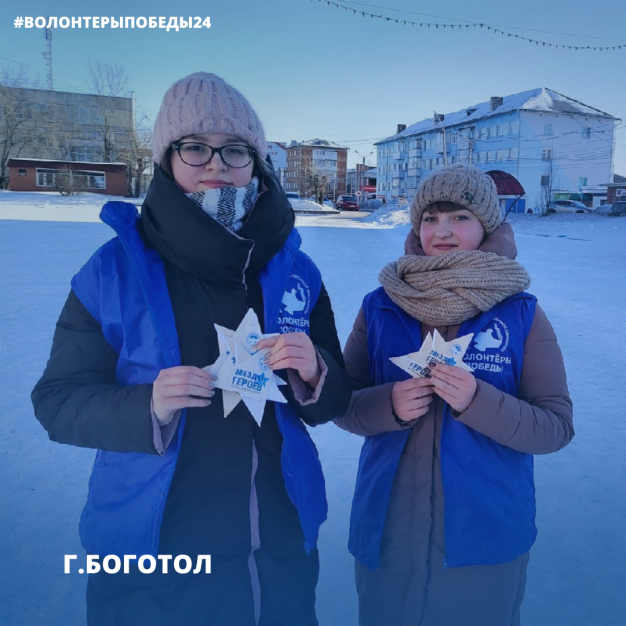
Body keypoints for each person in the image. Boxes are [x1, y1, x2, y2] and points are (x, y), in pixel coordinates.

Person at [31, 72, 351, 626]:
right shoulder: (112, 271)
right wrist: (147, 407)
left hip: (280, 543)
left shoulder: (298, 270)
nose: (216, 164)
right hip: (152, 555)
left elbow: (335, 397)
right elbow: (57, 402)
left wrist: (316, 372)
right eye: (195, 146)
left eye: (235, 149)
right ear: (166, 157)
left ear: (256, 161)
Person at [335, 164, 574, 626]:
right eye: (430, 218)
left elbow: (555, 428)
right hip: (386, 536)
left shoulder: (520, 312)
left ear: (486, 225)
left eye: (459, 217)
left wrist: (478, 402)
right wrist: (388, 405)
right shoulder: (381, 304)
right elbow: (342, 404)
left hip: (483, 542)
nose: (441, 231)